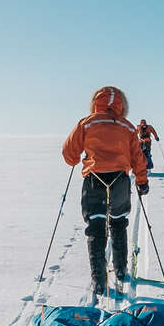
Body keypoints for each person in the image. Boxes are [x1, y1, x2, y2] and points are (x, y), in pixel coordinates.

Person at [62, 86, 149, 299]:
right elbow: (138, 158)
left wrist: (80, 156)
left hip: (94, 181)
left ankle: (99, 281)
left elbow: (69, 155)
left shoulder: (87, 123)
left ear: (95, 103)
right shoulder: (128, 127)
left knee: (95, 228)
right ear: (122, 105)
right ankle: (120, 268)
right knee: (119, 223)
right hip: (120, 181)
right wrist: (142, 181)